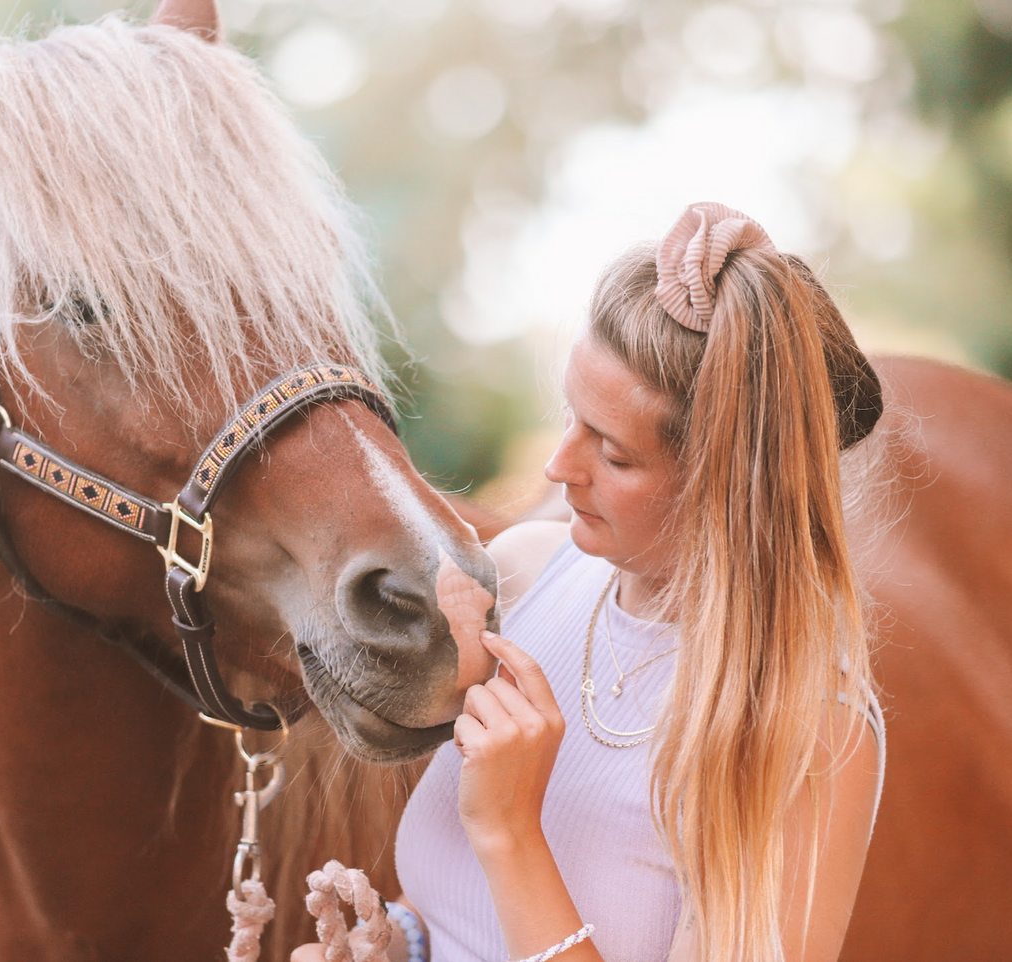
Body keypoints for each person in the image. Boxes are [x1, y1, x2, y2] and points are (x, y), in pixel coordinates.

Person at [295, 201, 887, 962]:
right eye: (569, 416)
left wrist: (511, 833)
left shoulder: (805, 730)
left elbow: (503, 850)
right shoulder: (522, 578)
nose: (556, 466)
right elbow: (459, 905)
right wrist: (398, 941)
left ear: (730, 490)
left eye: (611, 454)